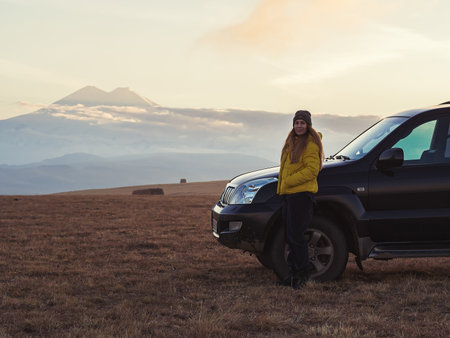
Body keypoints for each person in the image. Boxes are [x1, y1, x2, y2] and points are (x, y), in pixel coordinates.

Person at [277, 110, 324, 289]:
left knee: (297, 237)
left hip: (301, 196)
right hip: (289, 195)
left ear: (308, 125)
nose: (299, 126)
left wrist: (288, 182)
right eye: (296, 123)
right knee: (290, 236)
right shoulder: (291, 142)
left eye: (302, 123)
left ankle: (302, 275)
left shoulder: (311, 144)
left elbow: (312, 169)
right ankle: (292, 274)